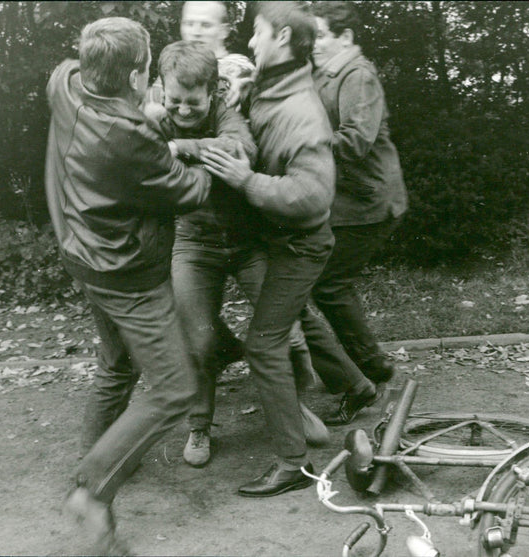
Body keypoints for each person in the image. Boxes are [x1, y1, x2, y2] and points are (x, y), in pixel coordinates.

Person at [45, 17, 211, 553]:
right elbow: (185, 191)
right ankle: (91, 491)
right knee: (174, 389)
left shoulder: (64, 82)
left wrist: (155, 122)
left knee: (116, 367)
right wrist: (207, 154)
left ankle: (96, 468)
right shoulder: (129, 135)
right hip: (127, 273)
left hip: (82, 254)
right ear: (139, 75)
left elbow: (134, 144)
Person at [149, 40, 328, 468]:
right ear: (161, 88)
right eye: (174, 100)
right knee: (199, 339)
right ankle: (200, 424)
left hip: (248, 244)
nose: (183, 110)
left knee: (281, 335)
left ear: (212, 91)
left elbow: (241, 150)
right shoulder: (154, 116)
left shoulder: (227, 114)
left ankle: (291, 409)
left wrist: (182, 148)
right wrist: (161, 130)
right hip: (193, 244)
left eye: (193, 101)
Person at [200, 0, 336, 497]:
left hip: (299, 246)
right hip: (275, 239)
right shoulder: (275, 85)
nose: (250, 42)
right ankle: (319, 410)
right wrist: (236, 96)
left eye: (257, 33)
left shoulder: (301, 111)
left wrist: (247, 180)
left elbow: (312, 195)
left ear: (281, 38)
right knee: (275, 340)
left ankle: (292, 464)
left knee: (264, 343)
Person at [302, 1, 409, 421]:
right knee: (328, 284)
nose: (311, 45)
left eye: (320, 36)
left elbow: (355, 141)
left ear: (345, 37)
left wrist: (299, 143)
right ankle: (370, 368)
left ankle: (372, 371)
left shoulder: (357, 74)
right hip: (345, 202)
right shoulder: (325, 72)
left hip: (369, 201)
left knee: (328, 285)